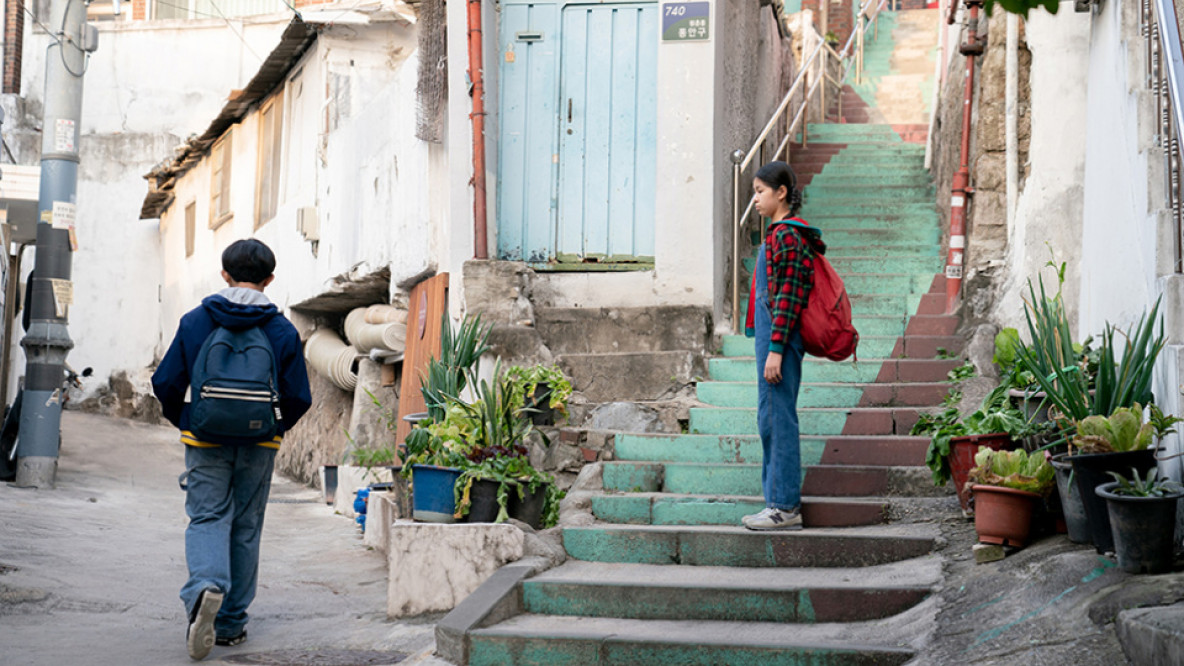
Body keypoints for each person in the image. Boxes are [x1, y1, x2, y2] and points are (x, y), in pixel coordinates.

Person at [152, 239, 312, 660]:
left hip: (205, 440)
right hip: (260, 443)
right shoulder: (281, 330)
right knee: (245, 526)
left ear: (224, 274)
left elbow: (165, 383)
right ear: (270, 279)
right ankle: (231, 624)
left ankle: (206, 585)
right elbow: (299, 397)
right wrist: (274, 427)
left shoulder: (195, 321)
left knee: (207, 517)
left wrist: (185, 419)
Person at [741, 161, 825, 531]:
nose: (755, 199)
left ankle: (784, 506)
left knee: (778, 419)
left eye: (760, 191)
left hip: (781, 339)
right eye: (754, 192)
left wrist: (775, 348)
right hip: (775, 338)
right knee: (770, 418)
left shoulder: (788, 236)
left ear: (781, 192)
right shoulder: (777, 235)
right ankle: (776, 501)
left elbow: (789, 296)